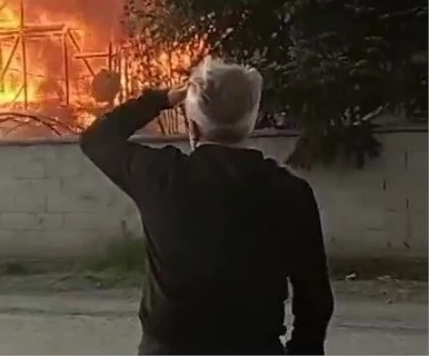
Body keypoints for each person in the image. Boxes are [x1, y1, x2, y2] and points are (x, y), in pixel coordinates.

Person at [80, 57, 334, 355]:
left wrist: (162, 99)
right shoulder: (291, 192)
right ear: (250, 120)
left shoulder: (162, 176)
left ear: (193, 125)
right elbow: (315, 298)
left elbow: (96, 139)